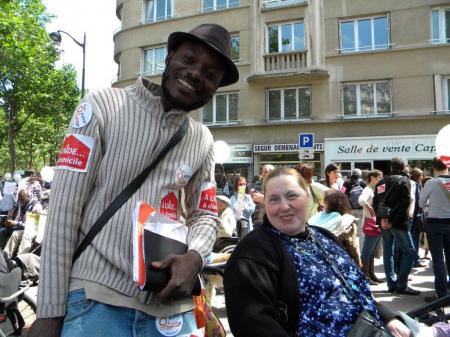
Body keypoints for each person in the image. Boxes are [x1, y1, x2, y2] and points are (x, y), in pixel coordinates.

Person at [29, 23, 239, 337]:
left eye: (211, 75)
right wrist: (49, 311)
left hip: (170, 313)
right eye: (188, 60)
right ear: (169, 58)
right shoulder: (101, 106)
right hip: (95, 303)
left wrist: (195, 255)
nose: (196, 74)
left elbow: (206, 213)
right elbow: (62, 213)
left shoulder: (202, 140)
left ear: (216, 87)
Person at [224, 167, 410, 337]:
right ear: (265, 204)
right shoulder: (254, 252)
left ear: (307, 197)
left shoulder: (324, 236)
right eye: (274, 199)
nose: (284, 206)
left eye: (291, 196)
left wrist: (388, 318)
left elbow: (355, 288)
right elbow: (252, 324)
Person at [373, 157, 420, 295]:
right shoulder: (404, 180)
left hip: (385, 223)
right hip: (398, 223)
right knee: (410, 252)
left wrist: (382, 219)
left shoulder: (381, 181)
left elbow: (376, 202)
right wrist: (391, 221)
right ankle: (401, 284)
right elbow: (405, 204)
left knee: (388, 253)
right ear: (404, 166)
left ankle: (391, 284)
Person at [419, 157, 450, 299]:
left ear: (434, 168)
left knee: (438, 259)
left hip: (435, 224)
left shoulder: (431, 182)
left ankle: (441, 293)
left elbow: (421, 203)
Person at [308, 189, 361, 266]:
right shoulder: (345, 219)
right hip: (335, 257)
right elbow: (352, 245)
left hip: (314, 255)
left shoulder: (317, 216)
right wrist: (357, 263)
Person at [358, 169, 383, 285]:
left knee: (371, 251)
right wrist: (370, 208)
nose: (380, 179)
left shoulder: (373, 189)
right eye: (379, 177)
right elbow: (361, 200)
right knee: (367, 251)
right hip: (370, 223)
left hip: (374, 223)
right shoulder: (368, 190)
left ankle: (371, 275)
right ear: (373, 177)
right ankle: (365, 276)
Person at [410, 167, 427, 268]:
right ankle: (415, 260)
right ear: (418, 175)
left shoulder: (411, 183)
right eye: (421, 175)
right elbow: (419, 201)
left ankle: (414, 259)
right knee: (415, 238)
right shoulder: (415, 185)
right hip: (416, 215)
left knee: (413, 238)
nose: (423, 177)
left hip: (412, 214)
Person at [250, 164, 274, 228]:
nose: (263, 174)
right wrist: (252, 195)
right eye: (262, 172)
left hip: (270, 218)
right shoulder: (258, 183)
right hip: (257, 218)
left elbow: (277, 200)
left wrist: (263, 198)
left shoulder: (276, 184)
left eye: (265, 172)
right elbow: (254, 199)